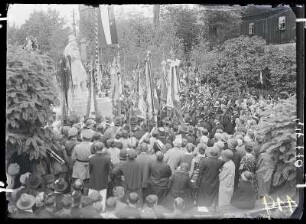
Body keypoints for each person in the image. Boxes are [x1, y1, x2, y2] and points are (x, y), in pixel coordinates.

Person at [88, 141, 112, 210]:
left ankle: (92, 209)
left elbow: (90, 170)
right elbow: (108, 170)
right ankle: (102, 209)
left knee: (92, 196)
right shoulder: (107, 158)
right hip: (103, 179)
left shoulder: (91, 158)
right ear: (103, 148)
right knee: (103, 196)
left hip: (94, 179)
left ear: (95, 148)